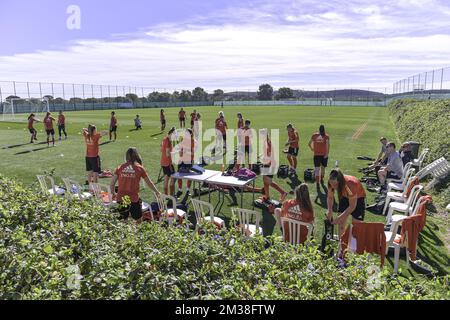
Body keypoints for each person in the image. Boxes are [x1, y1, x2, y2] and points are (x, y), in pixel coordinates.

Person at [110, 147, 160, 222]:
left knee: (123, 220)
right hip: (133, 199)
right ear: (136, 156)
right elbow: (149, 183)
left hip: (121, 197)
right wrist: (157, 192)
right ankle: (135, 232)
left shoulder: (120, 167)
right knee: (138, 220)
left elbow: (112, 183)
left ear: (126, 156)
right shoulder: (139, 168)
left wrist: (113, 193)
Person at [327, 169, 366, 237]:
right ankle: (341, 243)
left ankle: (355, 245)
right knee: (341, 223)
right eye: (331, 184)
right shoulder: (331, 183)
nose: (333, 187)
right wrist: (330, 210)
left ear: (340, 182)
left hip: (358, 198)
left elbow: (352, 206)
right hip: (344, 197)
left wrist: (339, 218)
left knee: (356, 225)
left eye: (335, 185)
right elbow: (330, 197)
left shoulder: (350, 185)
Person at [260, 128, 287, 202]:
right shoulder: (266, 142)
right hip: (267, 163)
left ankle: (283, 192)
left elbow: (270, 154)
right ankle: (267, 196)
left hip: (269, 164)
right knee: (265, 181)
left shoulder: (267, 143)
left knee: (269, 182)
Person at [175, 128, 197, 197]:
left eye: (187, 133)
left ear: (191, 134)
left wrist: (186, 152)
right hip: (181, 160)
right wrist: (181, 152)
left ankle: (187, 189)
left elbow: (193, 152)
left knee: (189, 176)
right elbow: (180, 152)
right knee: (179, 175)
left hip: (189, 160)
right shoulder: (183, 140)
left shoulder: (193, 141)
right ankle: (180, 189)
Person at [161, 127, 176, 196]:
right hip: (168, 163)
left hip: (163, 162)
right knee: (173, 178)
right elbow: (167, 154)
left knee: (166, 178)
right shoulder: (169, 141)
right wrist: (176, 152)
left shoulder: (164, 139)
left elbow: (161, 149)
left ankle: (166, 195)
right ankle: (171, 196)